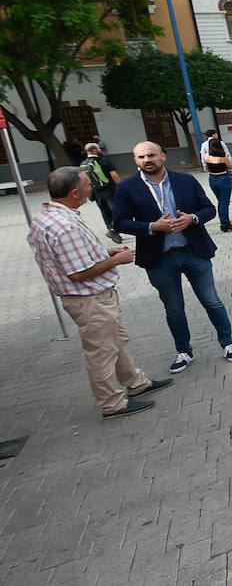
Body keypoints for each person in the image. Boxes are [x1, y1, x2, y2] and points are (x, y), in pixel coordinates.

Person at [28, 167, 171, 418]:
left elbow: (69, 260)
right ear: (74, 192)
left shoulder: (50, 217)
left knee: (116, 342)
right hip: (89, 299)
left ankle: (136, 383)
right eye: (86, 185)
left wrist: (106, 253)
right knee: (102, 352)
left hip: (90, 298)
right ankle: (112, 403)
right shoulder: (64, 226)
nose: (91, 187)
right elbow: (77, 273)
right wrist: (117, 260)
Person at [112, 141, 232, 372]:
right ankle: (183, 350)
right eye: (141, 157)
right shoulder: (127, 188)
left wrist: (192, 218)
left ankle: (228, 343)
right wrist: (152, 226)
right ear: (136, 161)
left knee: (211, 300)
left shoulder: (185, 180)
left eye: (151, 155)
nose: (147, 160)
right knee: (174, 308)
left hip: (193, 251)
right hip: (159, 258)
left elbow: (208, 209)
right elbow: (120, 222)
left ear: (162, 156)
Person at [81, 142, 123, 243]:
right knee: (116, 209)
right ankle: (113, 230)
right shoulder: (103, 160)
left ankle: (112, 230)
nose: (100, 149)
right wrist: (121, 186)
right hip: (109, 190)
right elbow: (113, 174)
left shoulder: (83, 163)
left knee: (104, 212)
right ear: (94, 150)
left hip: (95, 192)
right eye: (99, 148)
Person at [203, 140, 232, 232]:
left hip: (212, 179)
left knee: (220, 201)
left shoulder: (206, 156)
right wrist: (227, 158)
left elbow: (206, 168)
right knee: (224, 202)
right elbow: (230, 166)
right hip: (223, 178)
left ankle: (224, 221)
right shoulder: (223, 156)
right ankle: (225, 223)